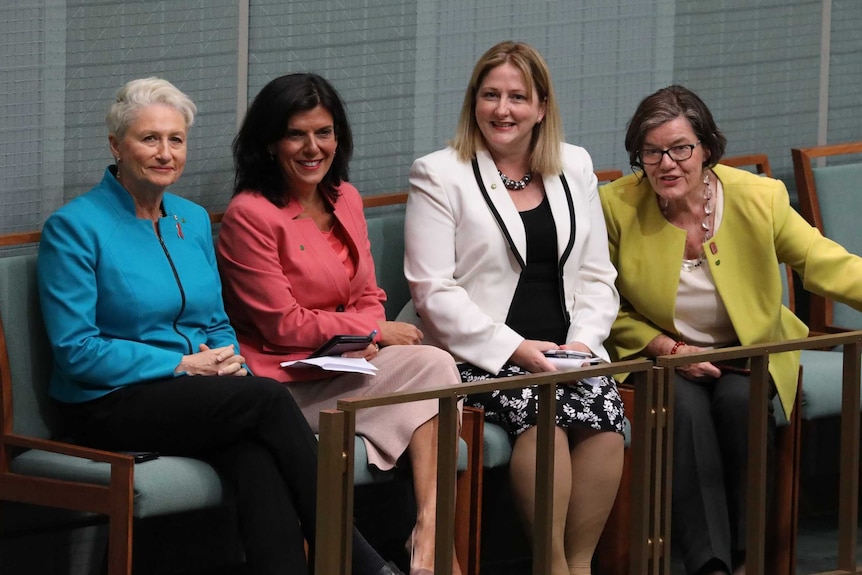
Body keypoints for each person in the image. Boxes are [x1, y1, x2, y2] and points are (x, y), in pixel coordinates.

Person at [37, 77, 404, 575]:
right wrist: (182, 363)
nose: (165, 153)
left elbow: (215, 319)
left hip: (193, 393)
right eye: (149, 139)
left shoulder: (189, 219)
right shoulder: (76, 227)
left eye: (176, 140)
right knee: (266, 400)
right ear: (116, 146)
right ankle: (359, 560)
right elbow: (76, 351)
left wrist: (227, 360)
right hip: (105, 401)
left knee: (255, 455)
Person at [599, 85, 862, 575]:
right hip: (664, 357)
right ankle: (711, 565)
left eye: (681, 148)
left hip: (748, 350)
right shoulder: (616, 207)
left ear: (708, 149)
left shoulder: (759, 197)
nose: (667, 163)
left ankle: (749, 557)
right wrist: (667, 347)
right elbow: (601, 305)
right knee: (685, 410)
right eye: (651, 152)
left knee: (742, 406)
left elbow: (824, 263)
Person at [216, 73, 463, 575]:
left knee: (436, 365)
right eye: (296, 134)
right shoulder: (250, 215)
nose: (313, 147)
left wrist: (363, 334)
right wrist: (370, 333)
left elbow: (371, 294)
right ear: (269, 143)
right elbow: (282, 325)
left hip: (346, 366)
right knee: (430, 378)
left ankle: (431, 537)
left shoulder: (344, 197)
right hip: (283, 385)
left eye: (324, 132)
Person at [399, 41, 626, 575]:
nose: (503, 109)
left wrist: (583, 345)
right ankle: (549, 566)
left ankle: (579, 565)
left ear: (541, 107)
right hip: (478, 351)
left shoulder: (575, 164)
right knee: (542, 414)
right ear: (473, 102)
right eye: (491, 95)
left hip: (568, 347)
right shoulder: (439, 173)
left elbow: (597, 274)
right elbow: (432, 292)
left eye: (518, 97)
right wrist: (518, 349)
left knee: (604, 415)